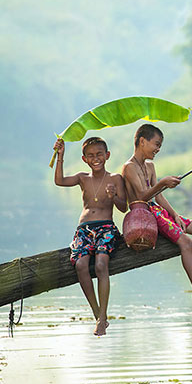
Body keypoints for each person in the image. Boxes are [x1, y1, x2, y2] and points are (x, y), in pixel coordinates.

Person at [122, 124, 192, 307]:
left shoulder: (150, 165)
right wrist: (163, 182)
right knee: (186, 242)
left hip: (159, 211)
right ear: (142, 141)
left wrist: (175, 214)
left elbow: (158, 196)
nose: (158, 149)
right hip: (145, 215)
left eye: (160, 146)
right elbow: (141, 196)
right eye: (156, 144)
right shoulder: (128, 167)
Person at [53, 136, 127, 336]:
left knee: (102, 265)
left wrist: (114, 196)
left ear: (107, 155)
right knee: (80, 265)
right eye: (91, 156)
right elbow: (59, 181)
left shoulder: (115, 179)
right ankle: (98, 315)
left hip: (106, 228)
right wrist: (61, 155)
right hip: (84, 229)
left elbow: (123, 207)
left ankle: (103, 316)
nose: (96, 159)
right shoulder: (82, 177)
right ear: (85, 159)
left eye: (99, 154)